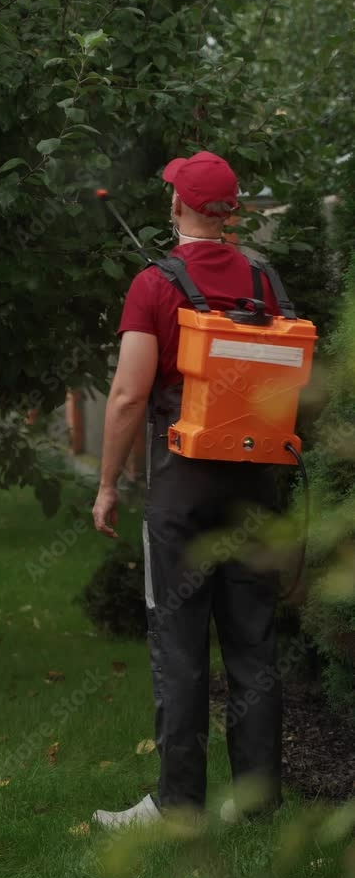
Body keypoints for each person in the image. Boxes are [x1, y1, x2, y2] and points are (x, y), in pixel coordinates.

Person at [91, 152, 284, 829]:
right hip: (259, 484)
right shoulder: (265, 279)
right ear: (230, 210)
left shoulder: (154, 284)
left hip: (182, 488)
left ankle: (178, 806)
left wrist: (107, 484)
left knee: (179, 641)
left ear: (179, 207)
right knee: (254, 639)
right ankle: (257, 803)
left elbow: (126, 397)